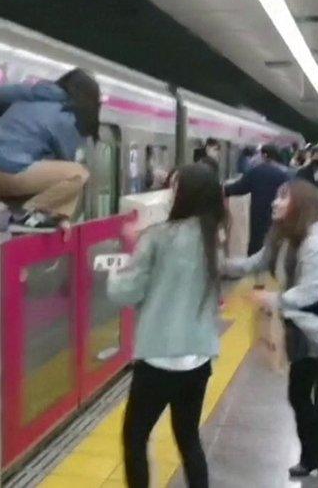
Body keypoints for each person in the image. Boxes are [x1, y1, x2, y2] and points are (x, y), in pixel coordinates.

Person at [226, 180, 318, 488]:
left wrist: (273, 300)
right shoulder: (282, 237)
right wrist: (216, 264)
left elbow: (309, 292)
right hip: (302, 322)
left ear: (300, 206)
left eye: (283, 198)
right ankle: (315, 455)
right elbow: (256, 263)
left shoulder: (315, 245)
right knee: (298, 393)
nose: (275, 203)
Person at [107, 163, 225, 488]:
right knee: (188, 439)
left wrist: (129, 252)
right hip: (198, 358)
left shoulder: (158, 237)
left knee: (134, 437)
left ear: (184, 194)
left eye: (174, 187)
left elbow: (126, 291)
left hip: (159, 358)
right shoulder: (213, 235)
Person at [0, 68, 100, 233]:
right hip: (5, 173)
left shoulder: (32, 94)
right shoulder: (67, 116)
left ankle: (36, 216)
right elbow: (66, 160)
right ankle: (30, 216)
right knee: (78, 174)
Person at [224, 144, 291, 255]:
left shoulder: (256, 171)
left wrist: (223, 189)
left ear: (264, 155)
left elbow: (239, 188)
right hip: (278, 217)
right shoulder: (285, 174)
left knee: (256, 245)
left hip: (258, 217)